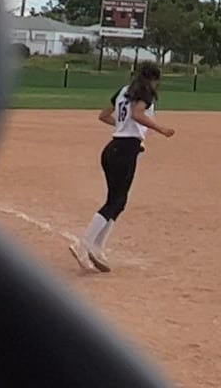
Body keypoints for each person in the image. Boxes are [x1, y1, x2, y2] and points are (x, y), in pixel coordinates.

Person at [70, 62, 175, 272]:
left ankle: (97, 247)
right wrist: (161, 129)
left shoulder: (124, 91)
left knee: (118, 201)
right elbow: (137, 114)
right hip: (125, 151)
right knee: (116, 201)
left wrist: (122, 126)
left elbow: (104, 115)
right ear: (153, 79)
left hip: (113, 149)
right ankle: (83, 244)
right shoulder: (144, 92)